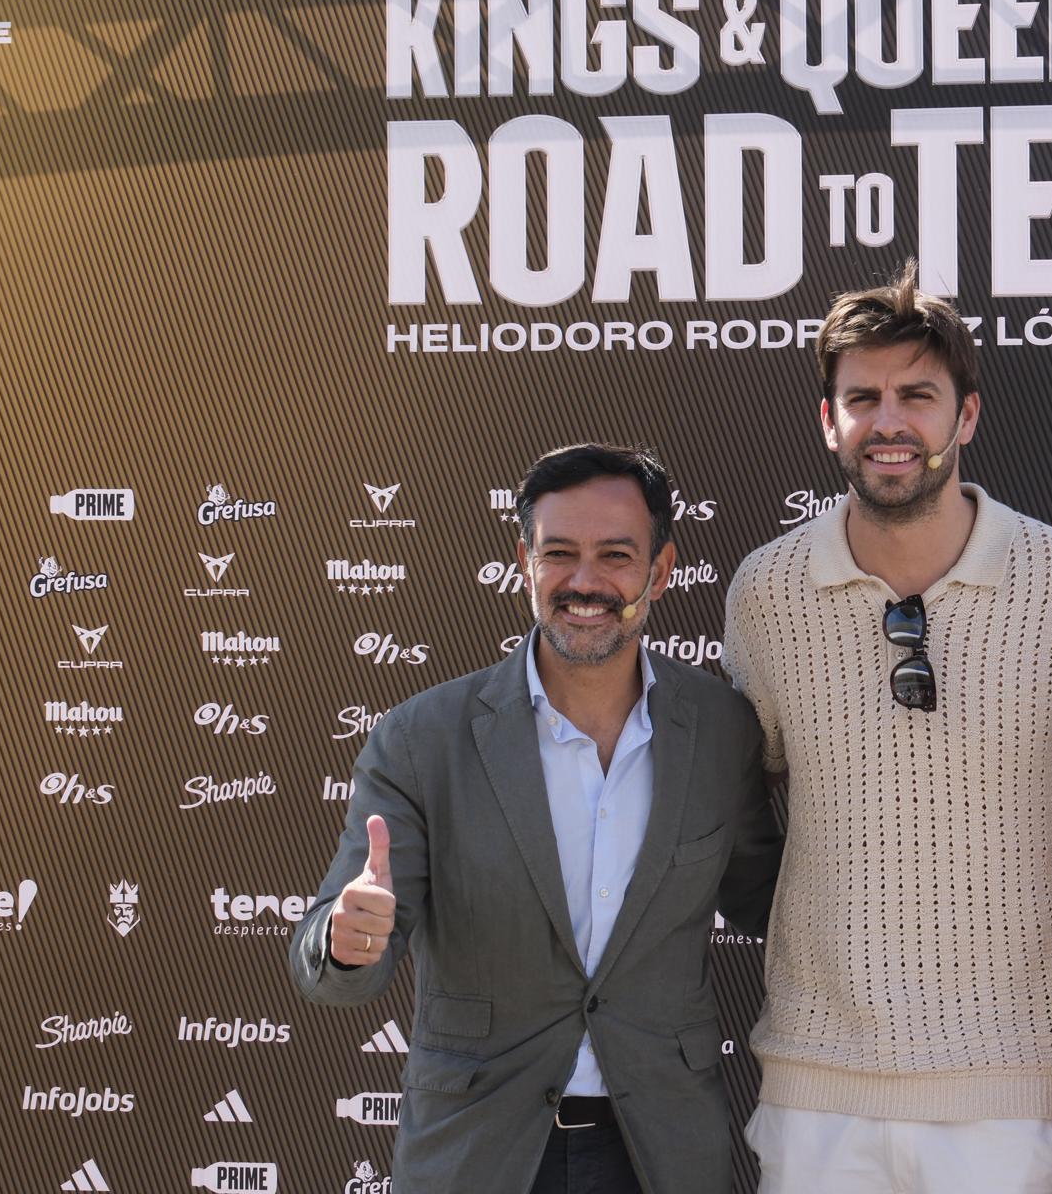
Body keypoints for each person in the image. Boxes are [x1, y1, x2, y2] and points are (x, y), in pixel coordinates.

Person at [723, 262, 1052, 1193]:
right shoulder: (766, 593)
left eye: (918, 393)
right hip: (818, 1089)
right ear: (829, 420)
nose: (890, 421)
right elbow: (737, 812)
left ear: (967, 416)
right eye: (862, 396)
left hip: (1014, 1091)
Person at [290, 444, 785, 1194]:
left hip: (660, 1150)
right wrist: (346, 939)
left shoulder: (720, 732)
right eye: (560, 553)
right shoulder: (423, 739)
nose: (585, 582)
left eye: (616, 555)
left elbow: (773, 903)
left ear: (660, 570)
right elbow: (333, 961)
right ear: (525, 563)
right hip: (480, 1150)